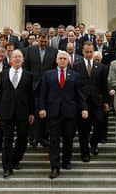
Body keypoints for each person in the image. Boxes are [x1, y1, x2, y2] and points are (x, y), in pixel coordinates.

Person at [38, 50, 87, 179]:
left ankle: (66, 161)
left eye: (65, 59)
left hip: (70, 112)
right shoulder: (48, 75)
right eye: (60, 58)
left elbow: (79, 95)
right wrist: (42, 108)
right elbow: (42, 94)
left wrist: (84, 108)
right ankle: (55, 166)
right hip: (53, 113)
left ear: (68, 61)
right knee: (54, 140)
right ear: (56, 60)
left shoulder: (75, 76)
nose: (62, 60)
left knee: (68, 139)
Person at [0, 49, 35, 178]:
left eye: (19, 57)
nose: (17, 58)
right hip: (6, 112)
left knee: (23, 138)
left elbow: (31, 96)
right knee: (7, 140)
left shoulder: (29, 75)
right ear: (10, 59)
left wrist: (32, 113)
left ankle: (15, 160)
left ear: (22, 60)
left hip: (23, 113)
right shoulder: (3, 75)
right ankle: (7, 167)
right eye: (15, 57)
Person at [72, 42, 110, 161]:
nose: (89, 54)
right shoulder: (76, 66)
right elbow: (75, 86)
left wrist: (106, 102)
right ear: (82, 52)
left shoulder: (101, 67)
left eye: (90, 52)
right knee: (83, 129)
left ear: (93, 52)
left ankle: (93, 143)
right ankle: (85, 153)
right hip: (82, 103)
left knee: (100, 122)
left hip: (97, 102)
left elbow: (105, 86)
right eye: (86, 52)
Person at [23, 33, 57, 147]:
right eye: (41, 41)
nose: (43, 44)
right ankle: (33, 137)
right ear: (38, 39)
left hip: (48, 87)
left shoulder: (54, 51)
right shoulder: (29, 50)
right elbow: (26, 69)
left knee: (45, 113)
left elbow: (54, 69)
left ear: (48, 40)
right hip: (33, 87)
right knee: (33, 112)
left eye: (45, 42)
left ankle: (44, 137)